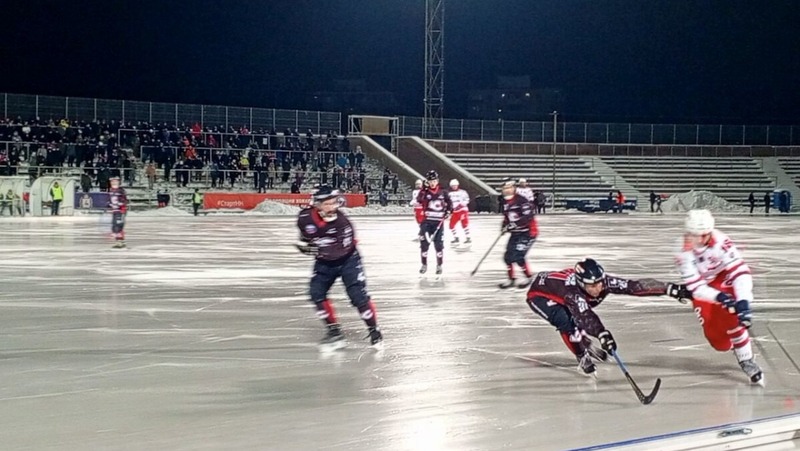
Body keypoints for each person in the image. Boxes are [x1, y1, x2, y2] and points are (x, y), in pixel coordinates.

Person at [526, 258, 689, 376]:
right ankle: (582, 355)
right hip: (540, 296)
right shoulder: (572, 294)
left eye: (600, 282)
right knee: (567, 322)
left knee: (576, 318)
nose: (598, 288)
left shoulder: (604, 282)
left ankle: (584, 343)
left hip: (559, 288)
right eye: (592, 286)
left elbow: (633, 286)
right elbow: (586, 316)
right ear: (582, 284)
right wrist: (602, 333)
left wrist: (669, 289)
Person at [677, 209, 763, 385]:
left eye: (704, 235)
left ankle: (746, 358)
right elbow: (696, 287)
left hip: (722, 277)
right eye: (695, 235)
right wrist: (721, 298)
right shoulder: (682, 250)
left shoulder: (722, 241)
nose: (700, 241)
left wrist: (744, 301)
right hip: (703, 286)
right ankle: (732, 342)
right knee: (718, 342)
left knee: (733, 318)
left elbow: (740, 272)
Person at [295, 185, 382, 349]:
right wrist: (305, 245)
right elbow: (305, 235)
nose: (332, 208)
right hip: (325, 261)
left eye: (334, 203)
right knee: (316, 293)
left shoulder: (343, 223)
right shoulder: (304, 218)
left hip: (348, 259)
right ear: (317, 204)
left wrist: (315, 249)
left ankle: (374, 329)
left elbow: (339, 250)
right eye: (327, 204)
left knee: (357, 295)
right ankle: (334, 331)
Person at [498, 179, 538, 289]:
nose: (506, 191)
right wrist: (504, 226)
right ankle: (511, 279)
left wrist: (515, 224)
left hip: (528, 232)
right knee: (508, 256)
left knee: (518, 255)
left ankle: (529, 277)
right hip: (515, 233)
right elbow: (506, 217)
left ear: (514, 188)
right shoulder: (506, 202)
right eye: (504, 189)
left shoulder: (521, 200)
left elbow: (528, 216)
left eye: (509, 188)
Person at [416, 170, 453, 276]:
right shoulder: (425, 192)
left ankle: (439, 265)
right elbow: (419, 199)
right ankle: (424, 264)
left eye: (434, 181)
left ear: (437, 181)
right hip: (427, 222)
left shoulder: (443, 192)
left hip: (438, 223)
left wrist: (449, 211)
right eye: (430, 181)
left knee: (439, 245)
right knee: (424, 244)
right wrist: (424, 189)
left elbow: (449, 203)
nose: (432, 183)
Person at [447, 179, 471, 244]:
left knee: (464, 224)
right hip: (455, 212)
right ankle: (456, 237)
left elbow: (467, 200)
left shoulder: (463, 192)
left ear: (457, 185)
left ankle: (468, 237)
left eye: (455, 185)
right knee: (451, 225)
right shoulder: (449, 193)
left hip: (462, 210)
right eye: (452, 186)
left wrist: (461, 205)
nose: (454, 187)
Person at [108, 177, 128, 248]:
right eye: (112, 182)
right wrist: (109, 205)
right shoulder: (111, 190)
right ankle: (118, 241)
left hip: (121, 211)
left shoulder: (121, 190)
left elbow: (124, 200)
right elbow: (110, 200)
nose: (113, 183)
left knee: (118, 225)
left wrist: (121, 205)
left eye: (115, 182)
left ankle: (120, 242)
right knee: (114, 225)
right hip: (115, 211)